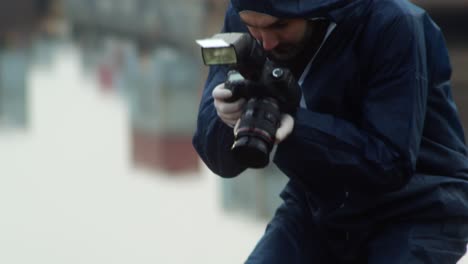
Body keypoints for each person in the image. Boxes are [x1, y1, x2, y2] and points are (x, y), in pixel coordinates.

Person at [192, 0, 468, 263]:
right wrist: (224, 121)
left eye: (280, 26)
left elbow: (389, 163)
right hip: (321, 200)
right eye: (253, 28)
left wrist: (299, 127)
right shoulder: (246, 14)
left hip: (419, 205)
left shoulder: (393, 23)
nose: (265, 42)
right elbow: (221, 163)